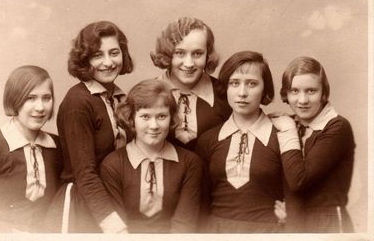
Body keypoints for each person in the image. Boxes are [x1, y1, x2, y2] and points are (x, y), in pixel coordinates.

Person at [49, 21, 133, 233]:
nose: (108, 62)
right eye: (97, 55)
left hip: (113, 199)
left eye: (114, 52)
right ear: (85, 60)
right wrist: (113, 224)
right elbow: (84, 174)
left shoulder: (120, 97)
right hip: (84, 207)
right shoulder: (78, 102)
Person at [196, 51, 286, 233]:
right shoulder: (209, 139)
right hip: (216, 232)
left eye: (252, 84)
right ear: (225, 88)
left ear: (264, 90)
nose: (242, 93)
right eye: (234, 83)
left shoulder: (282, 137)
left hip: (268, 232)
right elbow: (201, 201)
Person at [100, 79, 203, 233]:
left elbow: (184, 223)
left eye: (161, 116)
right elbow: (117, 228)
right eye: (145, 117)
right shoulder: (113, 164)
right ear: (131, 119)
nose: (154, 126)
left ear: (172, 118)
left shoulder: (189, 163)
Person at [271, 56, 355, 233]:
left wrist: (287, 129)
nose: (302, 100)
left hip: (328, 226)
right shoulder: (293, 124)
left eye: (311, 91)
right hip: (295, 222)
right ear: (285, 93)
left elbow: (299, 181)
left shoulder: (337, 127)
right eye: (294, 91)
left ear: (323, 93)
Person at [0, 65, 62, 232]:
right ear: (14, 100)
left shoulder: (57, 146)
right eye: (30, 98)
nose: (40, 107)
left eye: (46, 98)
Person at [150, 17, 231, 150]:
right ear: (168, 55)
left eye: (197, 53)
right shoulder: (148, 93)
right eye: (180, 53)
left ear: (208, 55)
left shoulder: (224, 94)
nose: (189, 63)